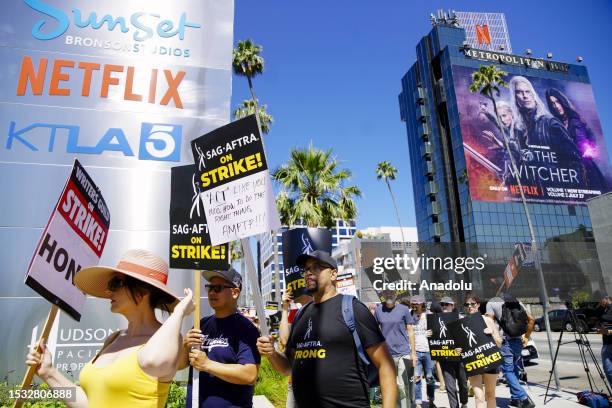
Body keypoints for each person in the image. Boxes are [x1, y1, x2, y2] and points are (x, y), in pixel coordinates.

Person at [26, 249, 194, 408]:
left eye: (115, 283)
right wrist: (49, 373)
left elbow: (154, 361)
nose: (107, 291)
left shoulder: (169, 341)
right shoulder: (113, 339)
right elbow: (88, 402)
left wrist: (179, 313)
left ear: (142, 292)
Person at [257, 250, 397, 408]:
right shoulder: (300, 315)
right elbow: (288, 367)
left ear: (333, 274)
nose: (308, 272)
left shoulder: (353, 309)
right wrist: (271, 353)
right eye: (306, 269)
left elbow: (386, 365)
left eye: (316, 267)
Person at [180, 268, 260, 407]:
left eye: (217, 288)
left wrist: (207, 364)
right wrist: (184, 345)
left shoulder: (246, 329)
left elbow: (250, 375)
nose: (211, 292)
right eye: (209, 287)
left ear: (234, 292)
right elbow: (181, 365)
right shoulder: (201, 324)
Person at [509, 76, 581, 171]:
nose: (525, 96)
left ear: (533, 94)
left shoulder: (550, 123)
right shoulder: (517, 128)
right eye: (519, 92)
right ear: (514, 97)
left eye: (527, 91)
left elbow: (574, 161)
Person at [545, 87, 607, 190]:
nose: (556, 106)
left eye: (557, 102)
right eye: (552, 104)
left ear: (562, 101)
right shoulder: (554, 124)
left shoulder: (576, 120)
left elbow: (591, 137)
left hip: (586, 168)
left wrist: (589, 150)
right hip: (569, 171)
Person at [486, 294, 535, 408]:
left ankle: (523, 397)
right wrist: (526, 336)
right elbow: (531, 319)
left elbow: (489, 323)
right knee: (513, 370)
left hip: (505, 342)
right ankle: (516, 399)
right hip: (518, 341)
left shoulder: (491, 302)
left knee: (507, 371)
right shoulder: (517, 302)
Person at [374, 291, 417, 408]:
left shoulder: (403, 309)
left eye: (391, 295)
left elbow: (411, 331)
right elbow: (375, 332)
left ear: (395, 296)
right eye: (387, 295)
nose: (389, 297)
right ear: (383, 297)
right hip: (386, 355)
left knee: (404, 386)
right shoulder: (378, 310)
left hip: (404, 353)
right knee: (392, 385)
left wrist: (413, 353)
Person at [459, 295, 502, 408]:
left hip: (490, 360)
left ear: (478, 305)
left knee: (490, 394)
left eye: (472, 304)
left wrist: (491, 333)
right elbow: (458, 346)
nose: (469, 307)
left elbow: (499, 342)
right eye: (467, 305)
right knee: (478, 397)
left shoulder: (487, 320)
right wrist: (457, 350)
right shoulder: (462, 323)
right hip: (473, 362)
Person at [437, 297, 468, 408]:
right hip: (445, 357)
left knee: (463, 383)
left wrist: (462, 347)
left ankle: (464, 402)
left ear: (452, 306)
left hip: (460, 357)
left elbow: (467, 337)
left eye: (447, 304)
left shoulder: (460, 318)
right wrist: (429, 335)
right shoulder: (436, 320)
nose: (444, 306)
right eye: (442, 304)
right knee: (450, 386)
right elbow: (435, 339)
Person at [410, 295, 435, 408]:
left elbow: (438, 331)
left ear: (422, 304)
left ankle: (430, 400)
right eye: (413, 304)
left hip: (428, 351)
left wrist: (432, 333)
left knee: (430, 377)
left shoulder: (429, 316)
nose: (415, 306)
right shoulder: (409, 315)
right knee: (416, 378)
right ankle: (418, 403)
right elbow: (406, 332)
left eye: (417, 304)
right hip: (415, 351)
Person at [596, 296, 612, 387]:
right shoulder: (605, 309)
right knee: (608, 370)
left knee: (608, 369)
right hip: (607, 343)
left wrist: (607, 331)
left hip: (609, 343)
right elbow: (596, 314)